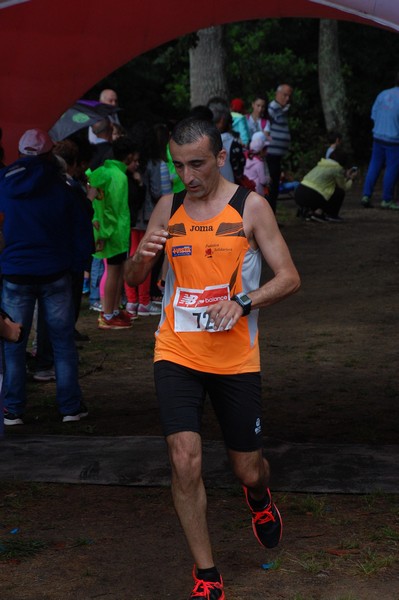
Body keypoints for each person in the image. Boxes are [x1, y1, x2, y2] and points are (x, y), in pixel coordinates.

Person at [124, 117, 300, 599]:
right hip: (176, 350)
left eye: (197, 164)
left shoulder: (252, 207)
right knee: (184, 460)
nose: (188, 175)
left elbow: (289, 277)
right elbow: (133, 275)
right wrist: (143, 256)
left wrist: (243, 301)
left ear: (221, 158)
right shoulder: (168, 206)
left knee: (247, 467)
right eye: (179, 165)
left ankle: (258, 495)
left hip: (235, 357)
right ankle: (207, 574)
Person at [0, 128, 90, 425]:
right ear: (48, 152)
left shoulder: (5, 181)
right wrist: (78, 264)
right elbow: (82, 226)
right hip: (56, 272)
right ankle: (70, 407)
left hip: (15, 272)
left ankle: (13, 409)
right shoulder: (65, 185)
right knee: (62, 342)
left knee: (13, 342)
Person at [87, 136, 136, 329]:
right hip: (115, 232)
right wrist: (107, 232)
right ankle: (108, 313)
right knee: (114, 272)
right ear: (130, 155)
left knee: (116, 271)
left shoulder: (102, 171)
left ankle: (113, 310)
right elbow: (113, 208)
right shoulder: (118, 176)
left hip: (110, 230)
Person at [361, 73, 399, 210]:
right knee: (391, 169)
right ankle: (387, 199)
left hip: (378, 136)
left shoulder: (383, 94)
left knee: (374, 166)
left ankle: (366, 195)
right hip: (394, 139)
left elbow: (374, 114)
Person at [294, 148, 357, 222]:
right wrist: (351, 179)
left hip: (299, 192)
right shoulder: (337, 168)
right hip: (312, 196)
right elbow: (343, 187)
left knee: (326, 189)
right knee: (339, 192)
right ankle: (331, 215)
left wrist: (346, 176)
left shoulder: (322, 164)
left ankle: (309, 212)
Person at [266, 84, 293, 213]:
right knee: (272, 186)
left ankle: (272, 215)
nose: (287, 98)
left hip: (277, 155)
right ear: (278, 94)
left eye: (289, 96)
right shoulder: (272, 108)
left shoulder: (281, 109)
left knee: (275, 186)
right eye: (285, 95)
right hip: (271, 155)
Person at [244, 131, 271, 196]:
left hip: (247, 189)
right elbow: (263, 181)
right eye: (265, 149)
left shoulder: (248, 159)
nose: (267, 151)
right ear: (261, 151)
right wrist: (269, 179)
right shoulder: (259, 163)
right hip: (257, 191)